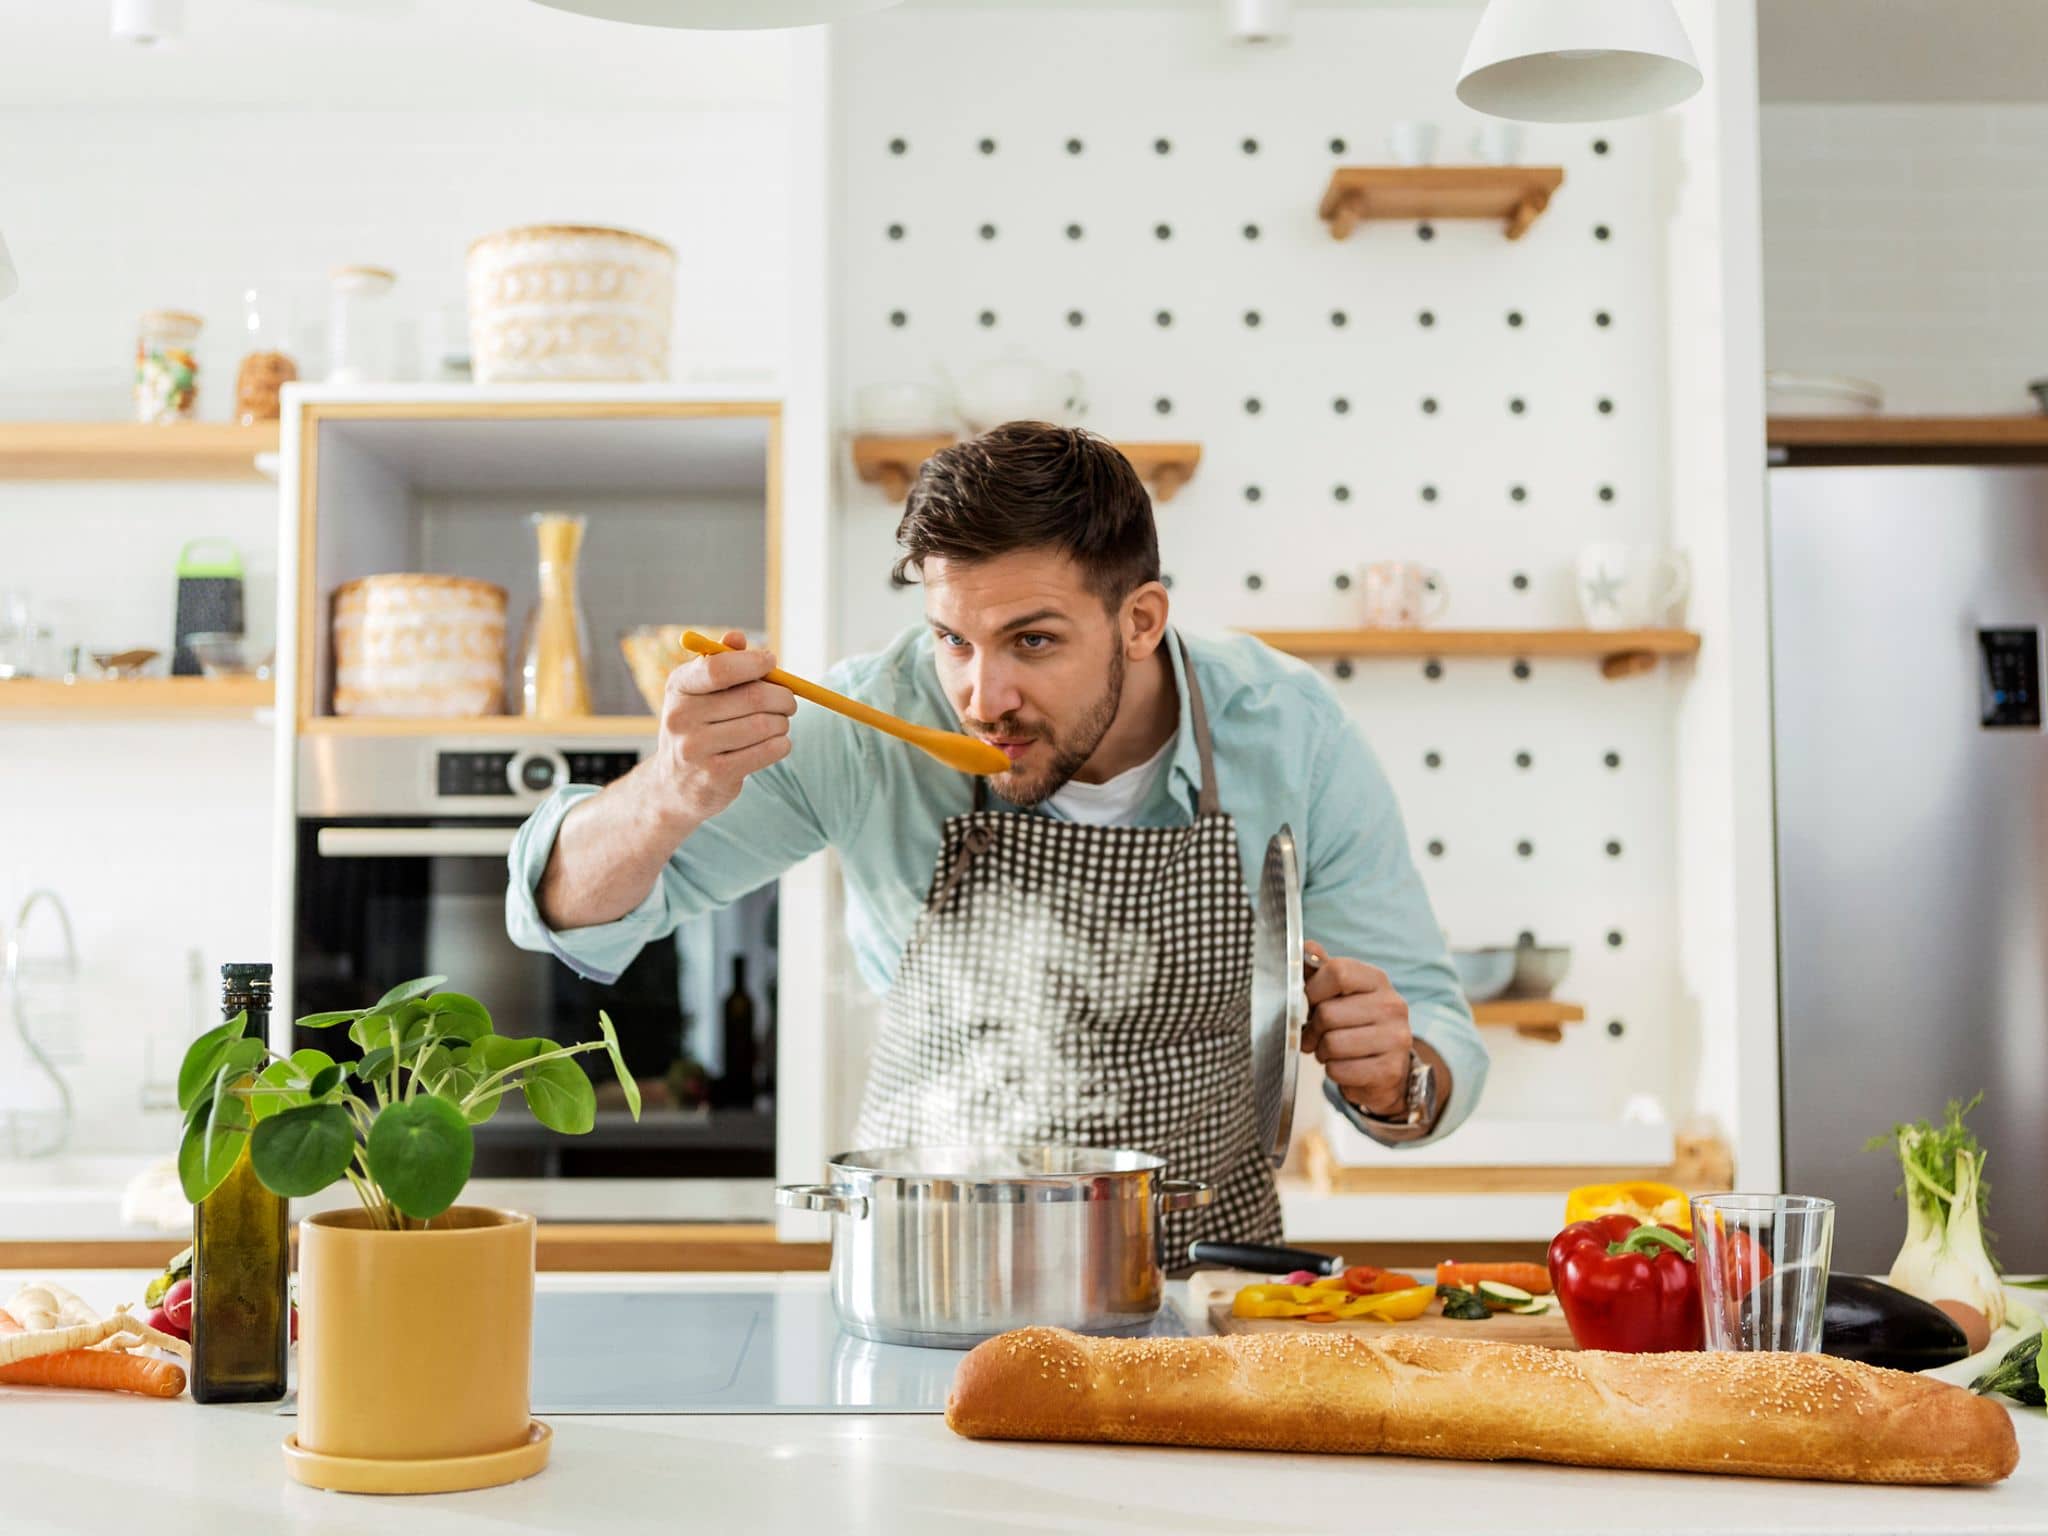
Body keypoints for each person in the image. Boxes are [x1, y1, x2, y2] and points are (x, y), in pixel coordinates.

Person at [507, 422, 1486, 1249]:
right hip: (931, 1277)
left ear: (1140, 620)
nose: (982, 697)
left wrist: (1393, 1075)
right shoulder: (865, 723)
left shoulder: (1287, 729)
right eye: (952, 640)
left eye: (1033, 641)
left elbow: (1433, 1043)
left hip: (1198, 1281)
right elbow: (564, 917)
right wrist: (666, 794)